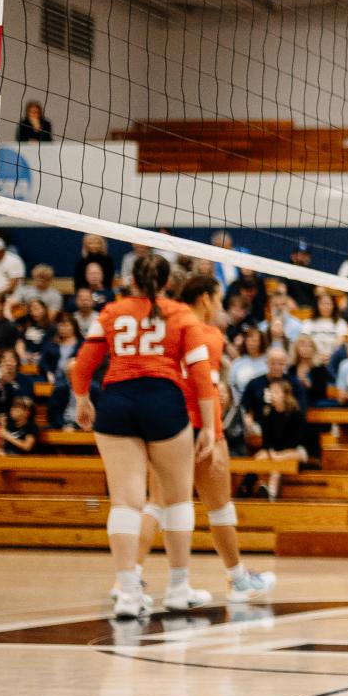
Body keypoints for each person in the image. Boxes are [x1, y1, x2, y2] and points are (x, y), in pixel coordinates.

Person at [71, 251, 217, 620]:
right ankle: (179, 589)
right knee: (178, 498)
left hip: (117, 402)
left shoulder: (111, 312)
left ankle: (128, 595)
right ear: (169, 283)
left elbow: (82, 364)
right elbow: (201, 376)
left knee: (126, 502)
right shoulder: (181, 314)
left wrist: (83, 401)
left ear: (131, 280)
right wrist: (209, 427)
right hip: (163, 402)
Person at [137, 275, 276, 604]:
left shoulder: (165, 332)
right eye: (216, 299)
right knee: (219, 507)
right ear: (204, 299)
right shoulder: (210, 335)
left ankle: (130, 581)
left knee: (157, 504)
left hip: (165, 426)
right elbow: (205, 389)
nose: (219, 306)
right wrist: (211, 434)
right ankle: (238, 579)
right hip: (202, 427)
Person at [255, 379, 312, 499]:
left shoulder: (296, 414)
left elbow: (295, 442)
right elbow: (266, 441)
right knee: (259, 457)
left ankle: (271, 493)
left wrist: (278, 455)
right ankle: (262, 486)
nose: (272, 394)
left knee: (277, 464)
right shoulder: (268, 413)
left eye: (276, 392)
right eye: (271, 391)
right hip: (275, 450)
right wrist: (270, 451)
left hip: (295, 450)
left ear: (285, 395)